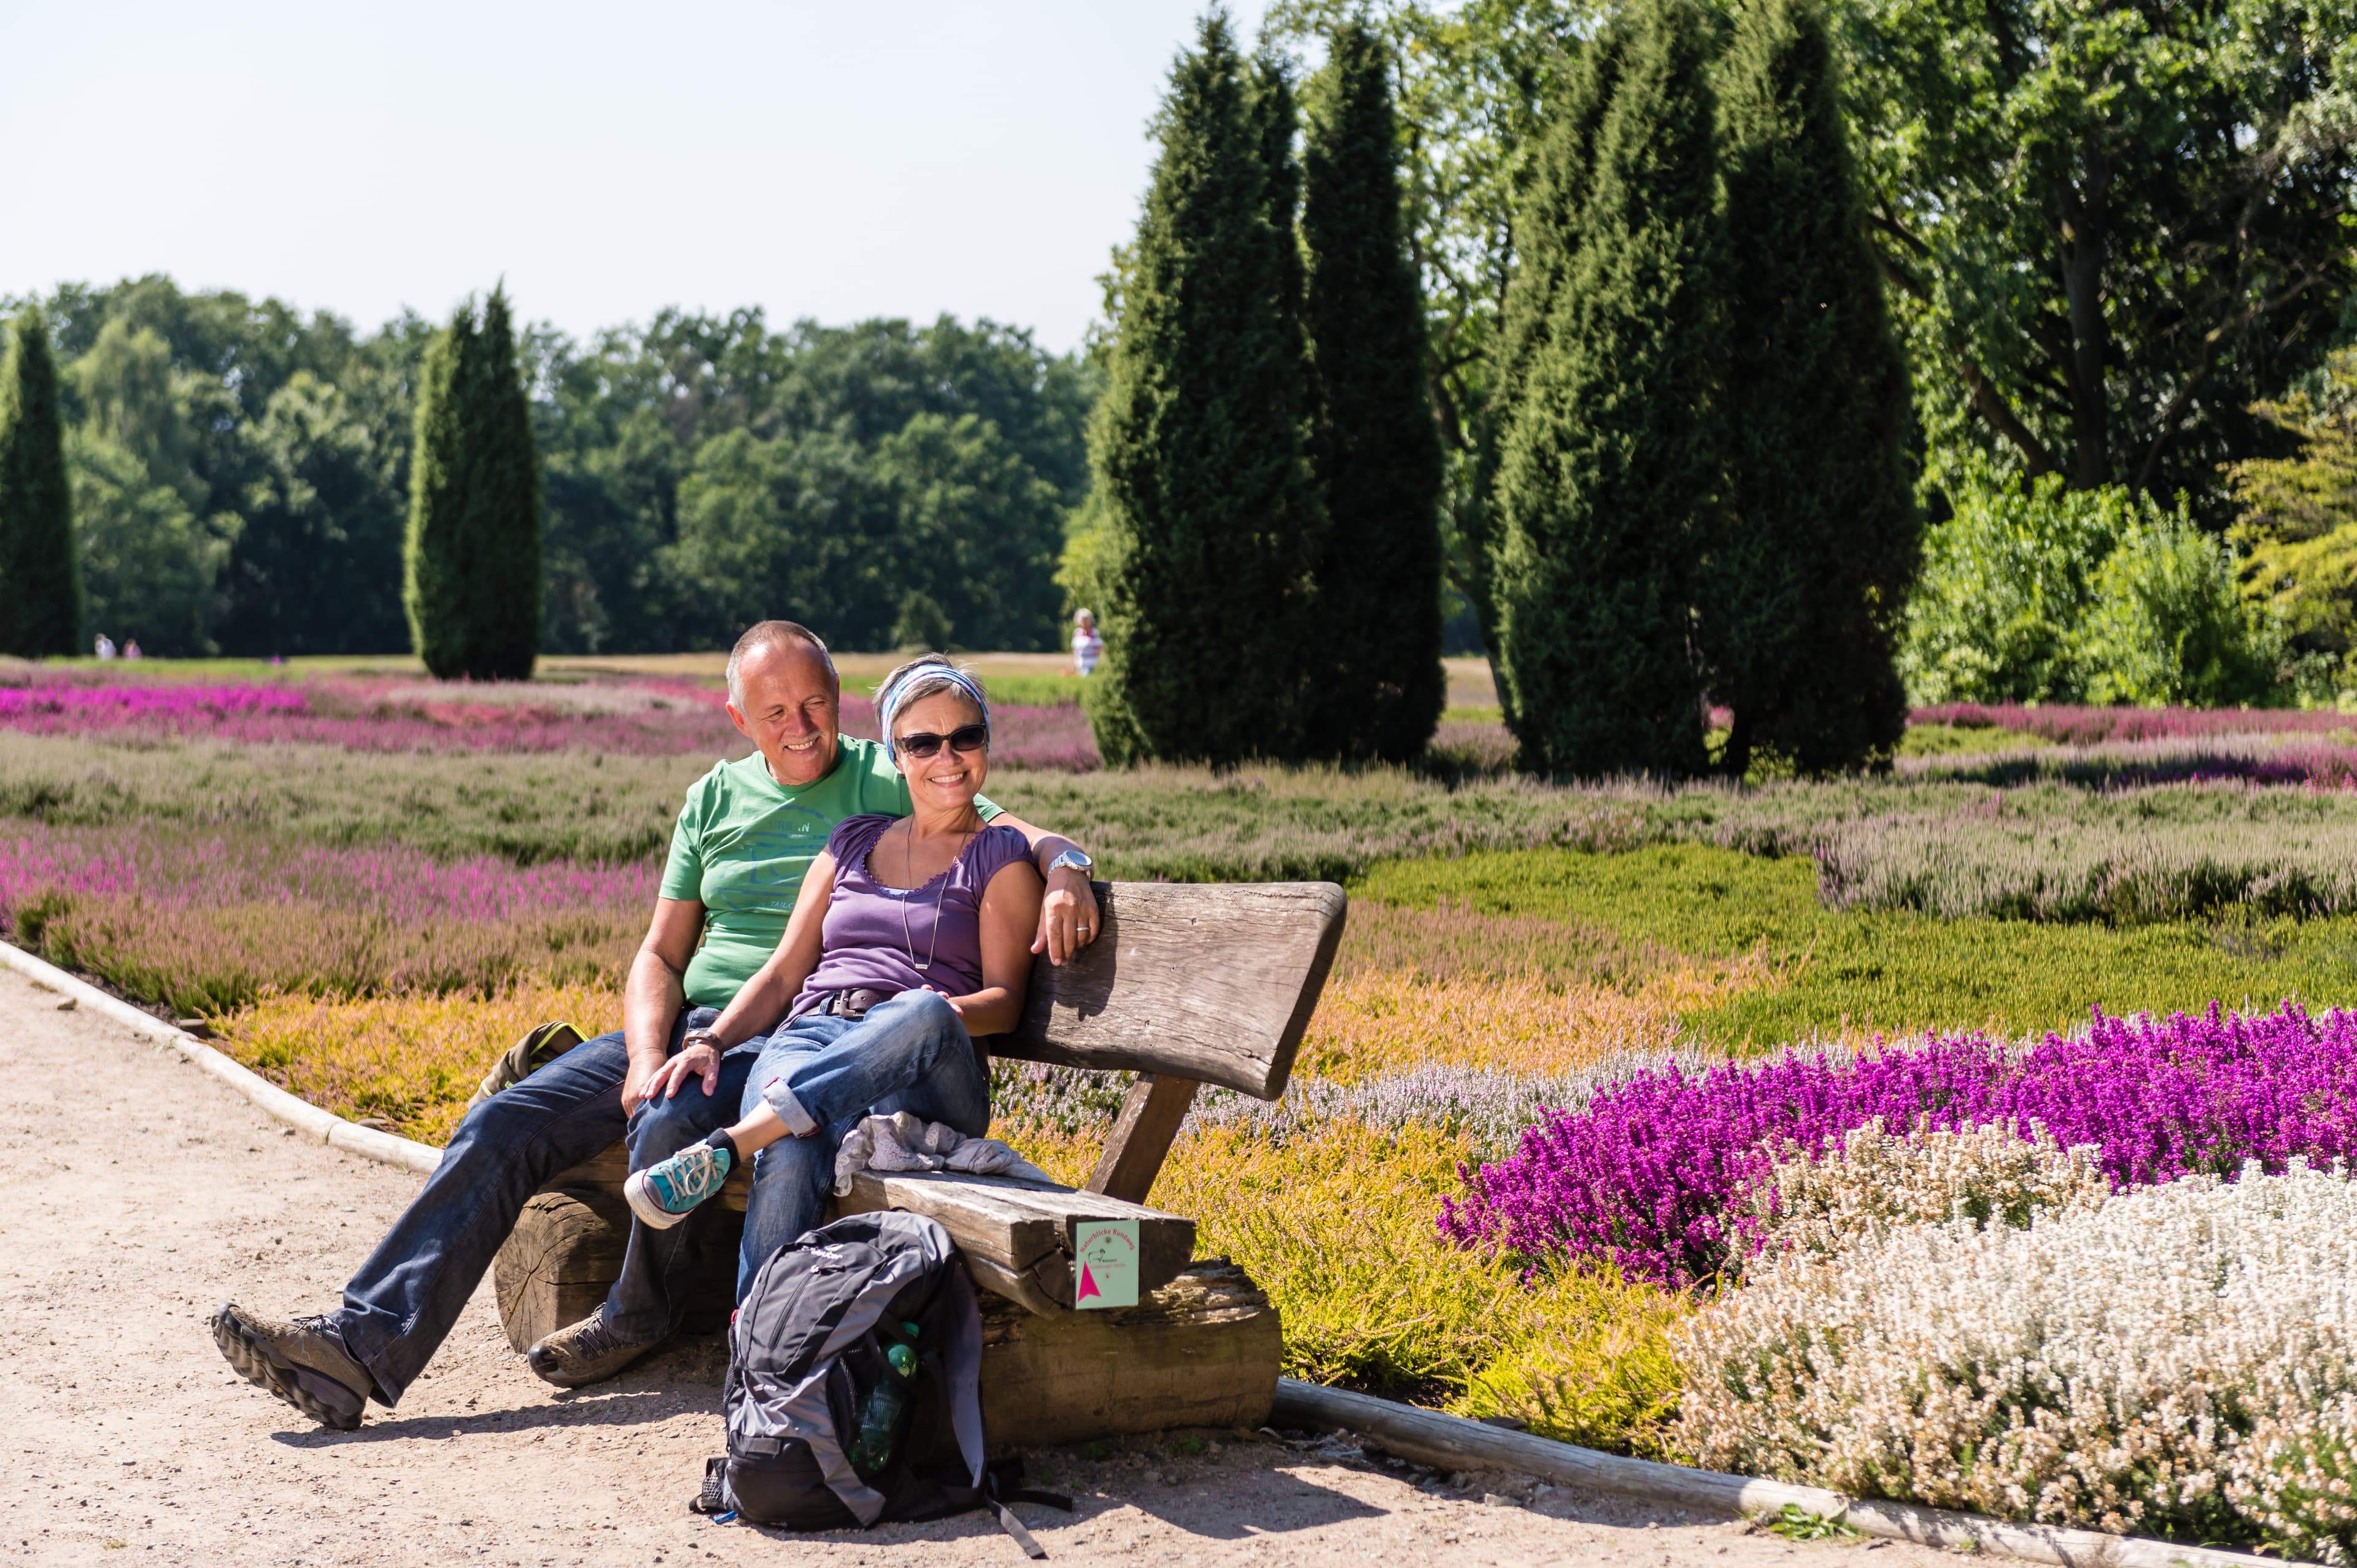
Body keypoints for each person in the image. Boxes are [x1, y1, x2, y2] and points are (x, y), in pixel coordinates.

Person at [208, 622, 1102, 1431]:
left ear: (842, 700)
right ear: (739, 717)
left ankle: (642, 1314)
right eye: (776, 711)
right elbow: (659, 954)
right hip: (698, 1027)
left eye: (816, 703)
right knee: (507, 1119)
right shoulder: (713, 797)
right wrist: (647, 1052)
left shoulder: (891, 765)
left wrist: (1067, 865)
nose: (802, 727)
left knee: (674, 1118)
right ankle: (361, 1344)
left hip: (794, 1036)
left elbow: (999, 821)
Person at [622, 657, 1035, 1275]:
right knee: (792, 1144)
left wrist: (920, 1019)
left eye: (966, 736)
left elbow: (1005, 1001)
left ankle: (731, 1144)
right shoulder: (852, 841)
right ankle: (759, 1331)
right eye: (923, 742)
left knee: (917, 1009)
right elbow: (783, 974)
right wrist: (711, 1040)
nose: (947, 756)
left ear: (986, 744)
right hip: (814, 1033)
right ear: (896, 755)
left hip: (927, 1067)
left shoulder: (999, 854)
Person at [1070, 608, 1102, 677]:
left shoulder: (1094, 633)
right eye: (1082, 620)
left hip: (1091, 664)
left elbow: (1099, 648)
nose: (1084, 622)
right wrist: (1074, 665)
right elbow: (1075, 650)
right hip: (1079, 664)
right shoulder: (1077, 632)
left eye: (1086, 620)